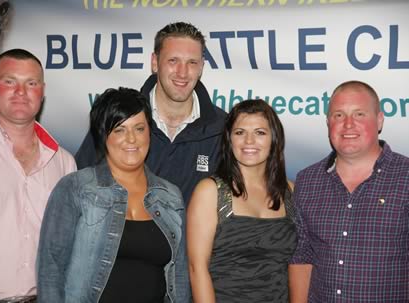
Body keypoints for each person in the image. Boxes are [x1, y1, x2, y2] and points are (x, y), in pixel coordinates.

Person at [37, 87, 190, 303]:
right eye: (119, 129)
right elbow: (50, 269)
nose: (131, 139)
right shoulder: (75, 188)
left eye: (139, 128)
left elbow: (180, 277)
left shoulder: (170, 196)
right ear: (102, 134)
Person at [75, 22, 226, 205]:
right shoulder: (116, 118)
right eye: (173, 61)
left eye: (192, 63)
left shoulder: (222, 128)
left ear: (201, 67)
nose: (182, 72)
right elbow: (78, 189)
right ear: (155, 63)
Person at [289, 80, 409, 302]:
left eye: (360, 114)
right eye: (338, 115)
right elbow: (301, 257)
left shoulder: (405, 177)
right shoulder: (307, 181)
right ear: (328, 123)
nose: (348, 124)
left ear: (379, 120)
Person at [0, 49, 76, 302]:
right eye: (10, 81)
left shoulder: (64, 162)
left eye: (31, 83)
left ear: (42, 91)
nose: (21, 92)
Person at [187, 99, 297, 302]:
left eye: (260, 132)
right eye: (240, 132)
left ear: (274, 139)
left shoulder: (291, 191)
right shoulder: (210, 192)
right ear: (229, 140)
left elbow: (298, 266)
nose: (249, 141)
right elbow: (197, 269)